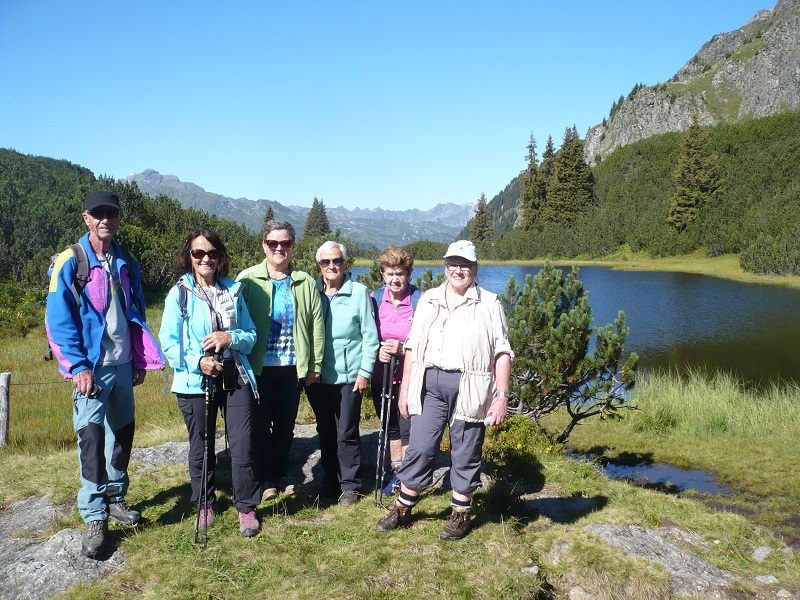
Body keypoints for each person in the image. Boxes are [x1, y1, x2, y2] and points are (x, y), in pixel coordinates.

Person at [46, 190, 164, 559]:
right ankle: (95, 515)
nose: (105, 220)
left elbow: (137, 308)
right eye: (98, 214)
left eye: (111, 214)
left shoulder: (125, 258)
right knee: (92, 439)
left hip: (124, 362)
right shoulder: (71, 260)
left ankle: (116, 497)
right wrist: (78, 367)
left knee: (123, 435)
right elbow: (57, 320)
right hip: (92, 370)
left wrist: (141, 358)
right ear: (86, 218)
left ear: (117, 217)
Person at [375, 240, 513, 540]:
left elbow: (502, 353)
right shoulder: (430, 299)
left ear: (475, 268)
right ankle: (403, 506)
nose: (458, 269)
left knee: (465, 450)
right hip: (430, 385)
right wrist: (405, 390)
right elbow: (412, 346)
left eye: (465, 264)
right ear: (445, 266)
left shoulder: (489, 303)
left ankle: (461, 512)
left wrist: (501, 397)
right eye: (453, 263)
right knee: (422, 446)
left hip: (471, 386)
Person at [158, 228, 261, 538]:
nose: (205, 258)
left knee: (242, 444)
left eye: (211, 253)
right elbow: (168, 341)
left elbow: (251, 335)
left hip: (235, 374)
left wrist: (231, 337)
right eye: (198, 253)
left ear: (220, 257)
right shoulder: (179, 293)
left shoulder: (234, 291)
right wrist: (197, 361)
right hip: (195, 381)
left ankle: (246, 507)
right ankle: (204, 503)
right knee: (201, 446)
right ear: (189, 257)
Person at [236, 220, 324, 501]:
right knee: (259, 426)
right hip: (257, 367)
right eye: (273, 243)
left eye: (285, 243)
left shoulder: (305, 281)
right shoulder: (247, 279)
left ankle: (282, 473)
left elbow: (316, 325)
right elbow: (234, 319)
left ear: (292, 246)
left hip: (291, 367)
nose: (279, 248)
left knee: (285, 425)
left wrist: (315, 364)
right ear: (264, 245)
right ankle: (264, 481)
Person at [305, 241, 379, 505]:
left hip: (349, 377)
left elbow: (371, 337)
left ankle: (350, 485)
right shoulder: (311, 290)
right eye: (325, 262)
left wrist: (365, 372)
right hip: (317, 377)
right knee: (325, 429)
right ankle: (330, 478)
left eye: (337, 261)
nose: (331, 266)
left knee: (346, 430)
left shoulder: (358, 292)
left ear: (346, 264)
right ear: (319, 266)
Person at [370, 247, 420, 496]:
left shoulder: (420, 301)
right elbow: (367, 336)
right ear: (382, 274)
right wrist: (378, 349)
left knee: (408, 428)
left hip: (410, 378)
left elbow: (427, 341)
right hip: (381, 375)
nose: (394, 279)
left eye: (399, 273)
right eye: (389, 274)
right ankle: (396, 472)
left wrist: (403, 349)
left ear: (408, 274)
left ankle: (410, 478)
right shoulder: (375, 299)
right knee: (390, 427)